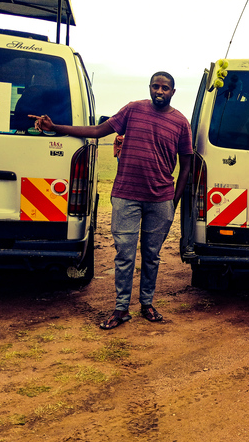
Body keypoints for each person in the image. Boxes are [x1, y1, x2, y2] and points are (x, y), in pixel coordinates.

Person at [30, 72, 193, 330]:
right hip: (126, 195)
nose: (159, 91)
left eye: (165, 88)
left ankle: (147, 304)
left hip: (161, 199)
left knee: (152, 256)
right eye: (155, 86)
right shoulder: (132, 110)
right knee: (124, 255)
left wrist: (174, 200)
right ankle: (121, 308)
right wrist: (55, 128)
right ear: (149, 87)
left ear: (173, 92)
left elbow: (186, 164)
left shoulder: (181, 122)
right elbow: (97, 130)